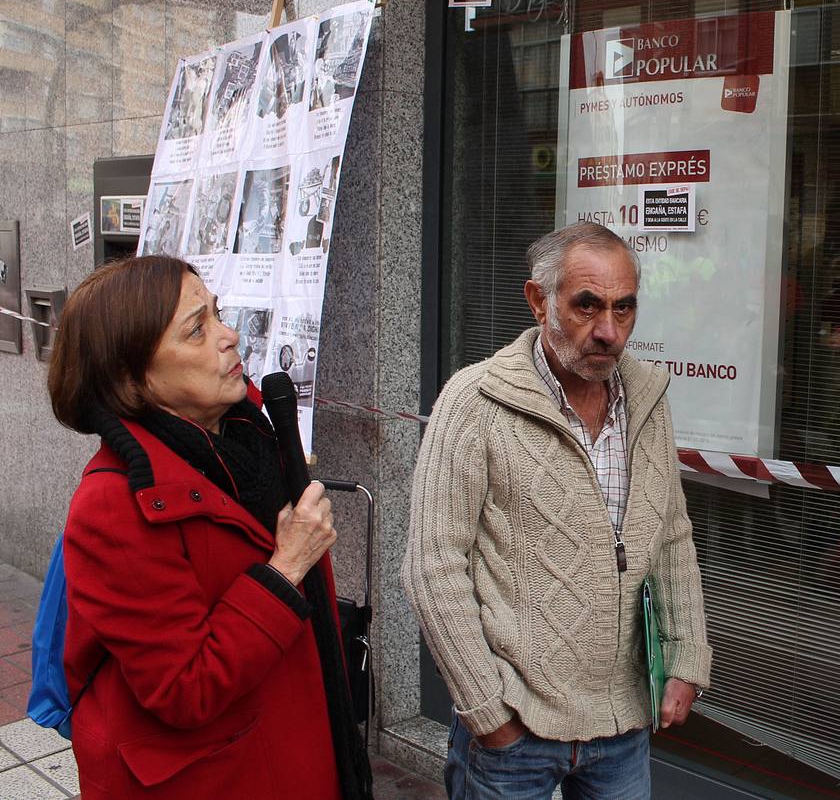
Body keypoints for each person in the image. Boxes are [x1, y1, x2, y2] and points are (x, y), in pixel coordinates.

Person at [403, 222, 712, 799]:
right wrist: (487, 713)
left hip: (622, 725)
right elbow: (432, 567)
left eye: (625, 309)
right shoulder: (474, 401)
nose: (608, 331)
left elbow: (671, 535)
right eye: (587, 306)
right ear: (538, 299)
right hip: (514, 728)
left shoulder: (647, 400)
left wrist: (687, 655)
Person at [48, 255, 372, 799]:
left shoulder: (245, 441)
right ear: (132, 379)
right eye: (197, 329)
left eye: (218, 314)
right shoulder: (111, 506)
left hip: (290, 746)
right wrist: (286, 566)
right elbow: (182, 686)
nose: (229, 336)